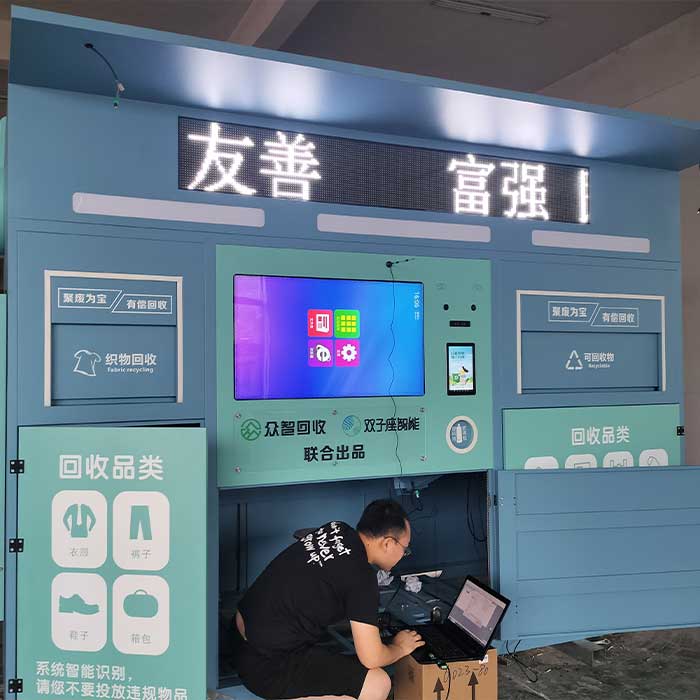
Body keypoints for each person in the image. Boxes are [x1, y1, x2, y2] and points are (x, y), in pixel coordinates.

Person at [235, 499, 424, 700]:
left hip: (239, 637)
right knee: (378, 683)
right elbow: (372, 658)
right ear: (388, 543)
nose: (404, 554)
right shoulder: (361, 577)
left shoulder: (336, 528)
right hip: (266, 667)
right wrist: (399, 647)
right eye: (405, 549)